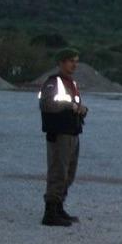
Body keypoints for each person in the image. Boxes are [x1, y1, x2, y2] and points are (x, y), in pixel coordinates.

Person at [38, 48, 87, 226]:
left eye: (76, 60)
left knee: (68, 174)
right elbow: (46, 104)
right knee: (58, 172)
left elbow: (73, 106)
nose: (74, 64)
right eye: (70, 60)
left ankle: (59, 208)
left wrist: (81, 109)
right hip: (59, 134)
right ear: (61, 62)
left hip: (72, 132)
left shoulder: (71, 83)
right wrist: (70, 105)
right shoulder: (53, 82)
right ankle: (50, 213)